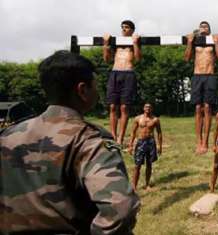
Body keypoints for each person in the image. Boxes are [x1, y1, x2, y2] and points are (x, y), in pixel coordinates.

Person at [0, 51, 140, 234]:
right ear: (82, 90)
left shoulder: (7, 136)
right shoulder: (89, 140)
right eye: (95, 86)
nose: (98, 92)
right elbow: (120, 207)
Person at [184, 21, 218, 154]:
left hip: (210, 76)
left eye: (206, 26)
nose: (203, 28)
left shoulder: (213, 40)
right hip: (197, 76)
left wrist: (217, 42)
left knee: (207, 108)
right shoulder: (195, 41)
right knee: (197, 108)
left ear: (209, 29)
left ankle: (205, 142)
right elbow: (187, 58)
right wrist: (190, 42)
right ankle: (199, 142)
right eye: (201, 26)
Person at [103, 20, 141, 146]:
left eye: (127, 27)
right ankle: (112, 137)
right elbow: (106, 59)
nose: (124, 29)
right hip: (115, 73)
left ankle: (120, 137)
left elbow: (138, 59)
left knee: (124, 107)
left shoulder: (135, 40)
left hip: (128, 73)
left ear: (132, 30)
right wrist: (106, 43)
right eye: (122, 27)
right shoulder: (116, 42)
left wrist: (135, 43)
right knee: (113, 106)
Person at [128, 103, 162, 191]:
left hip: (151, 142)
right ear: (143, 108)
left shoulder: (155, 119)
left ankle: (147, 184)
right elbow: (133, 132)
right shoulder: (138, 118)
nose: (148, 108)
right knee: (137, 165)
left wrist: (159, 145)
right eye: (146, 107)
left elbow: (159, 133)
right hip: (140, 142)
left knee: (149, 164)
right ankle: (134, 186)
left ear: (152, 109)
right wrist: (130, 145)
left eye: (149, 107)